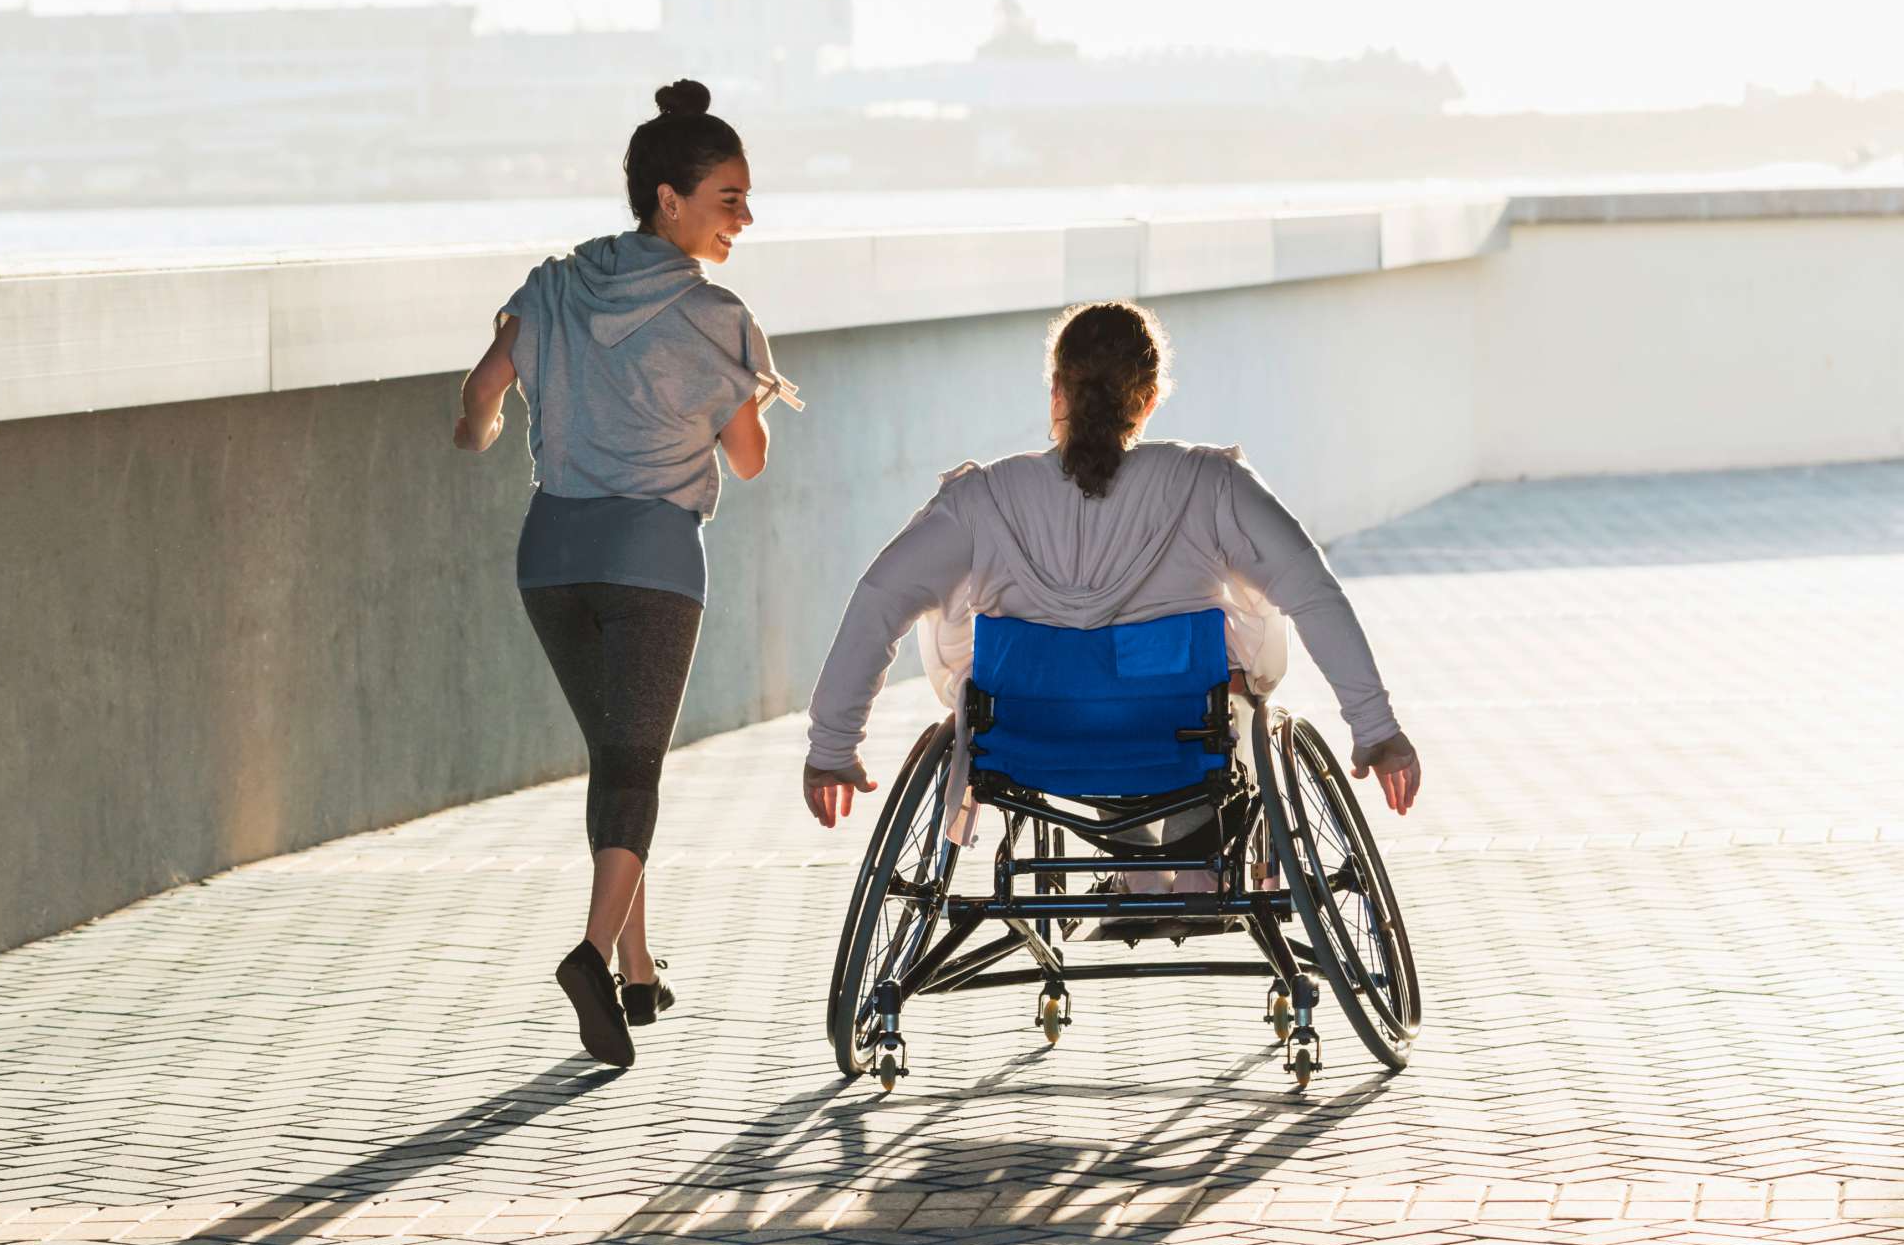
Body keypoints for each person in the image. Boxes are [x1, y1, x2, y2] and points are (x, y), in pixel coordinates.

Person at [799, 301, 1421, 846]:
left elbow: (880, 597)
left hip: (1026, 734)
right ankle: (1190, 846)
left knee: (989, 639)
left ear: (1057, 393)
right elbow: (1312, 590)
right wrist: (1376, 729)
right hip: (1179, 730)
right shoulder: (1209, 484)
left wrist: (833, 746)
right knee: (1232, 638)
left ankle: (1137, 859)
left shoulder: (982, 499)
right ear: (1149, 400)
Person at [455, 80, 795, 1068]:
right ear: (669, 199)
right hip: (650, 558)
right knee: (636, 761)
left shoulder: (554, 285)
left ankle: (639, 970)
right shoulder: (714, 316)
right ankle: (591, 956)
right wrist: (738, 394)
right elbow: (748, 458)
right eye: (728, 197)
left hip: (551, 553)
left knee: (618, 754)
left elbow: (482, 394)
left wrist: (477, 432)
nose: (745, 216)